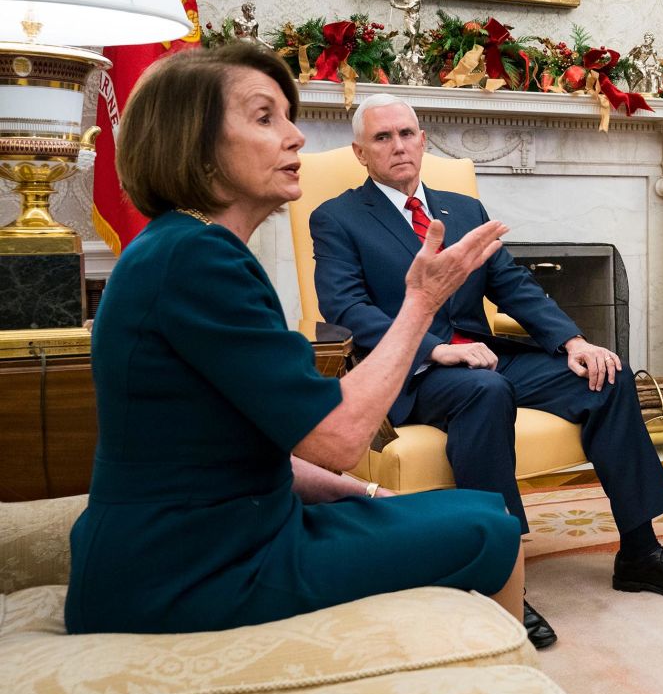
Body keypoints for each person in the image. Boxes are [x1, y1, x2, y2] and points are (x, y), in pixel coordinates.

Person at [65, 43, 528, 636]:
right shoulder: (195, 259)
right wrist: (422, 302)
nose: (296, 137)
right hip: (191, 570)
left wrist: (360, 491)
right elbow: (334, 438)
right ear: (195, 143)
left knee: (481, 509)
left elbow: (250, 445)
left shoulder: (186, 246)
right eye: (265, 117)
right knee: (491, 528)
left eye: (288, 115)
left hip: (219, 539)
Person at [310, 93, 663, 647]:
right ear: (360, 153)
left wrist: (575, 341)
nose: (398, 146)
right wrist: (433, 350)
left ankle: (641, 551)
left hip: (485, 352)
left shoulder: (464, 209)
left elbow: (512, 286)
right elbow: (344, 307)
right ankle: (501, 573)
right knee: (485, 390)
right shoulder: (336, 217)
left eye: (406, 133)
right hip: (409, 369)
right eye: (382, 138)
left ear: (423, 140)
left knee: (606, 376)